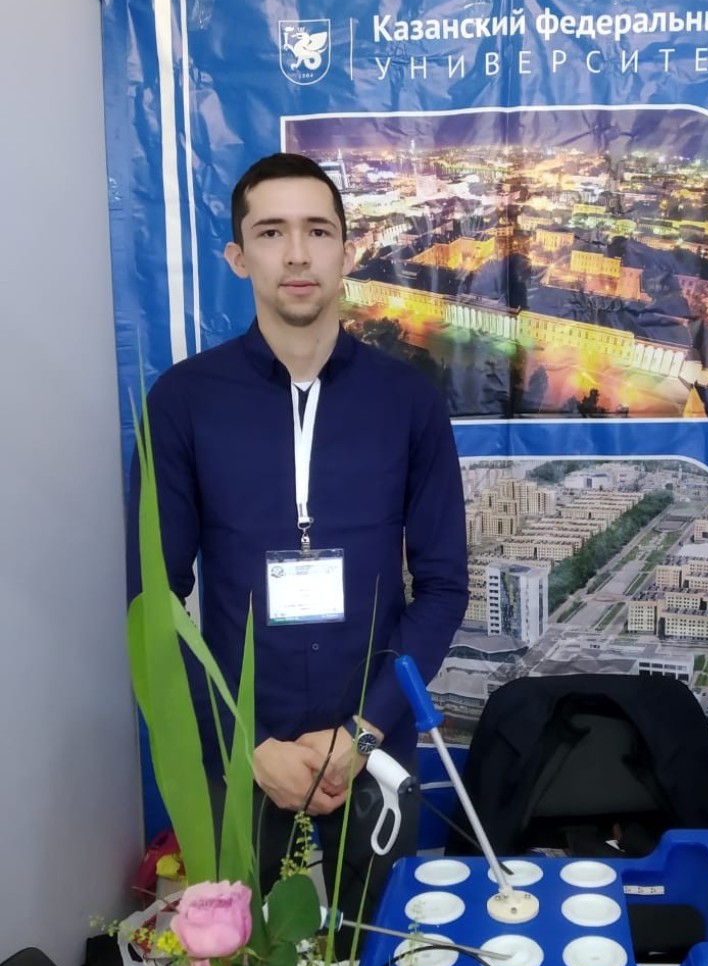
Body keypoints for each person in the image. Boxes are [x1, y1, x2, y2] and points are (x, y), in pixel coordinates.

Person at [127, 153, 468, 923]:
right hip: (242, 753)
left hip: (372, 744)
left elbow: (444, 586)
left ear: (348, 251)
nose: (296, 254)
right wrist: (244, 744)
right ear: (237, 256)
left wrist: (363, 732)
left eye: (317, 231)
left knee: (377, 963)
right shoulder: (183, 402)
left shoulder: (408, 400)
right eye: (271, 232)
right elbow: (155, 599)